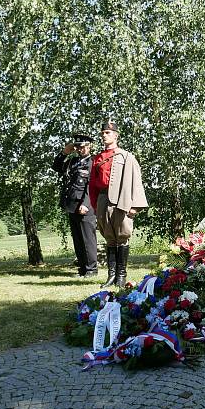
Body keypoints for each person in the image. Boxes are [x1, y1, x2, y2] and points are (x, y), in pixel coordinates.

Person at [89, 119, 148, 287]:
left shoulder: (126, 156)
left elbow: (136, 181)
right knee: (109, 238)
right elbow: (92, 184)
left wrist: (135, 205)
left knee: (122, 236)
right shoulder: (97, 158)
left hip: (121, 200)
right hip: (102, 200)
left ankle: (121, 276)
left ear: (116, 136)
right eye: (102, 133)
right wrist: (95, 204)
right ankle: (111, 275)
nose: (104, 135)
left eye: (107, 133)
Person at [52, 132, 97, 278]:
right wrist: (64, 152)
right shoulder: (72, 161)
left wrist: (86, 204)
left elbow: (91, 186)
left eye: (82, 147)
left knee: (87, 239)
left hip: (85, 205)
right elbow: (56, 166)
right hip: (71, 204)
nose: (79, 149)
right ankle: (83, 268)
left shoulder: (93, 162)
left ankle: (91, 268)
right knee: (78, 239)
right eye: (77, 146)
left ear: (89, 146)